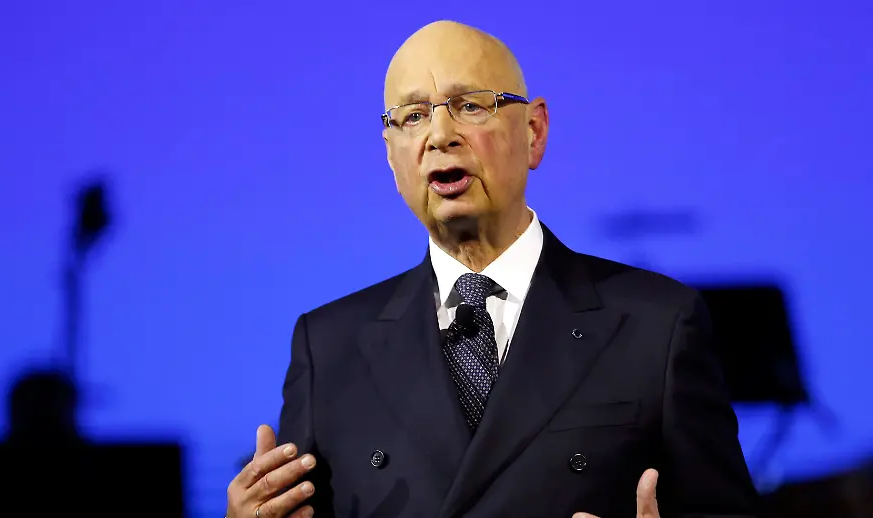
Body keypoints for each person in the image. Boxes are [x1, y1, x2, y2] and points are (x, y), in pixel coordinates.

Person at [226, 20, 759, 518]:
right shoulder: (328, 348)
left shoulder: (657, 325)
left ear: (534, 131)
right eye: (413, 116)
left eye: (470, 106)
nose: (440, 135)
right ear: (391, 156)